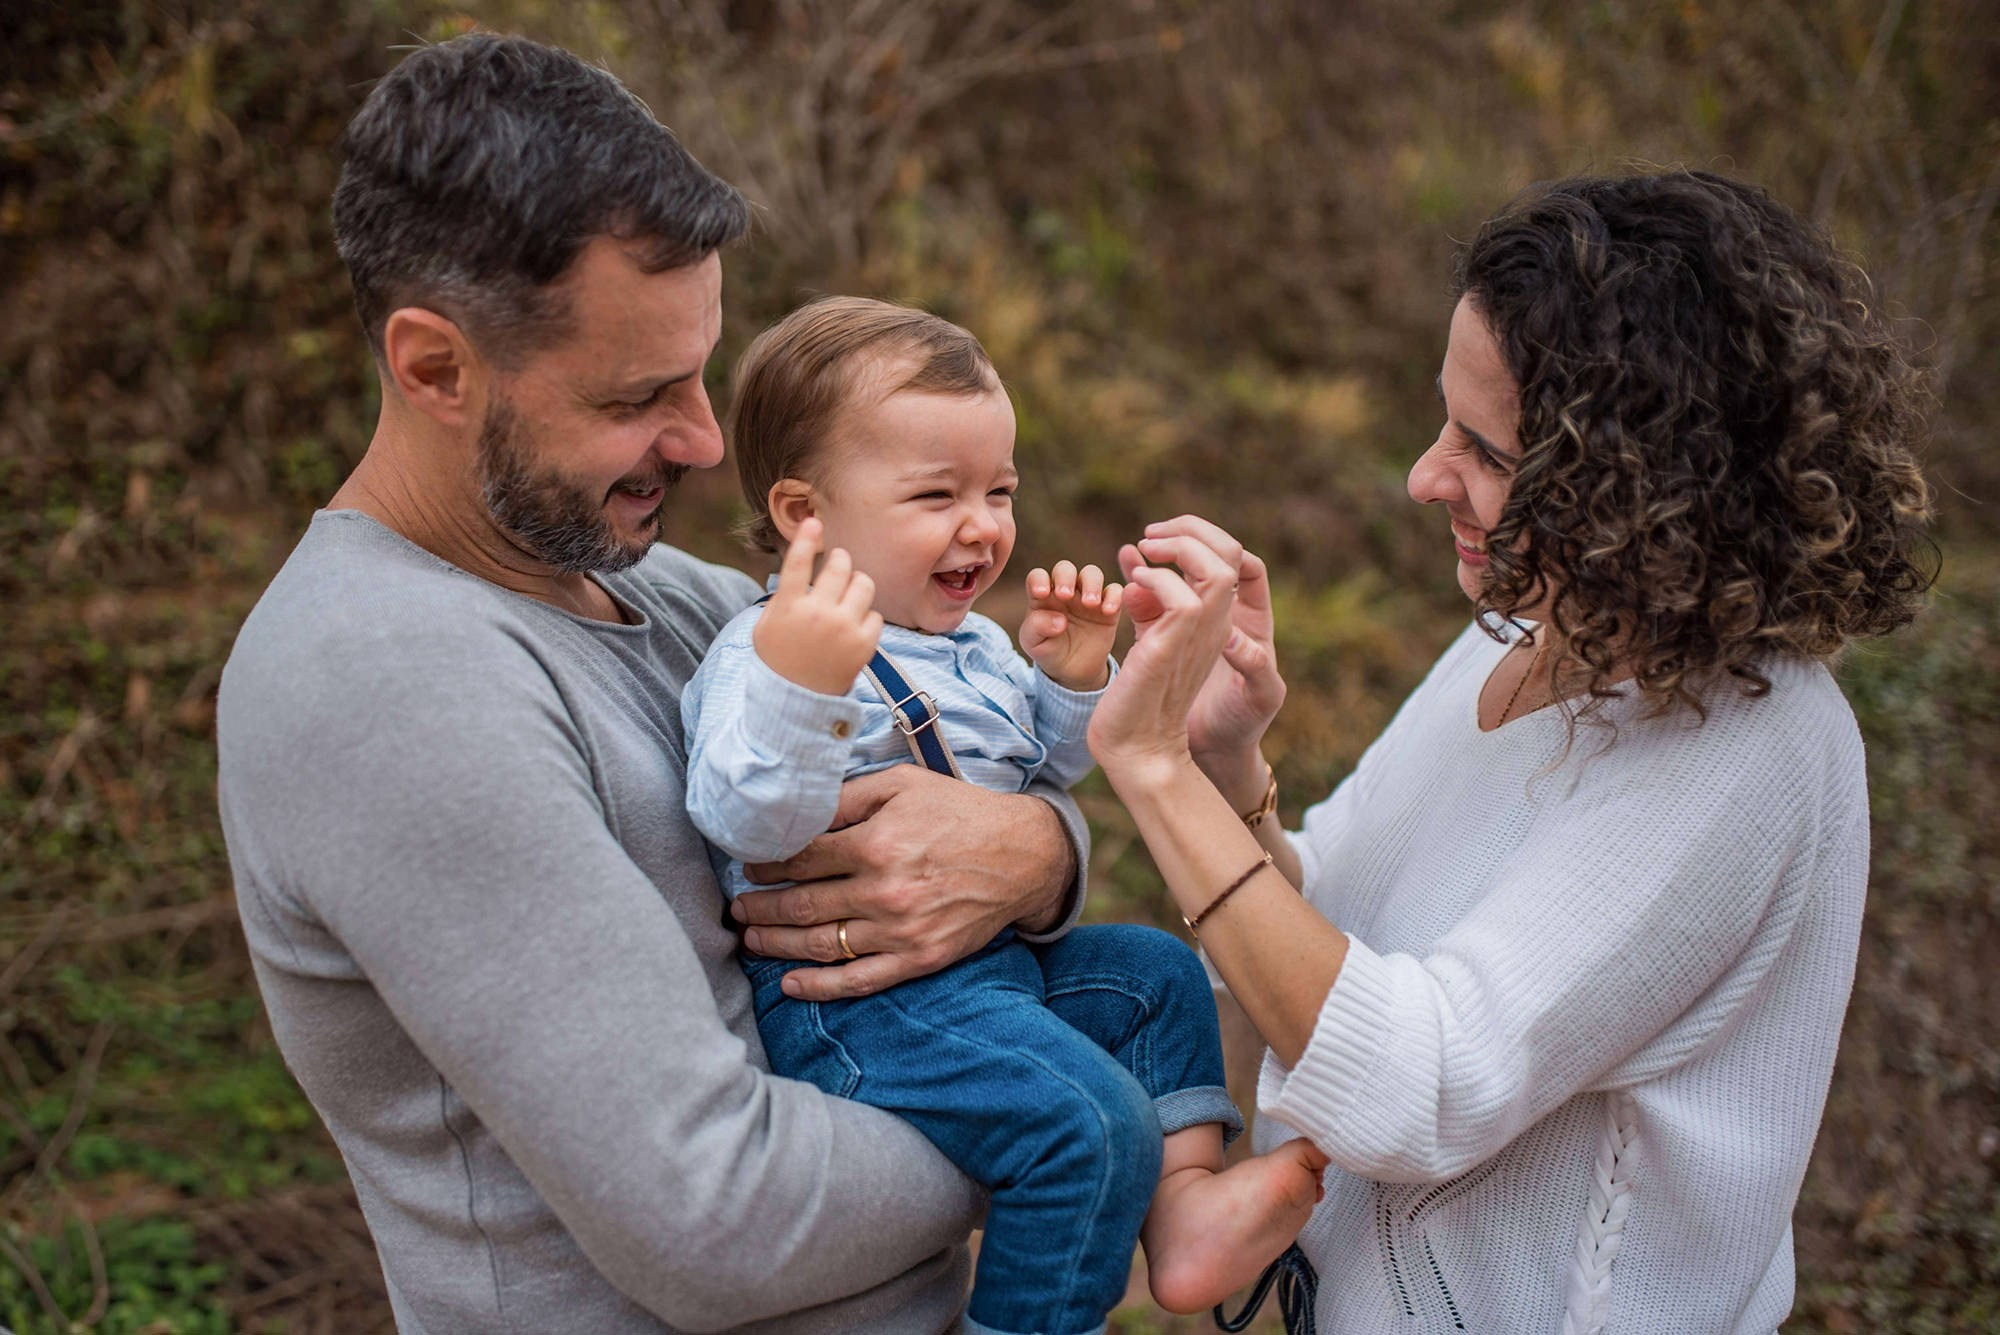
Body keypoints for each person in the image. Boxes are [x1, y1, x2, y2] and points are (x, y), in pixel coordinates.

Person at [216, 34, 1102, 1334]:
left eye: (702, 369)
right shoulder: (386, 681)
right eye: (640, 394)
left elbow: (953, 775)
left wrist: (1040, 849)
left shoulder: (668, 591)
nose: (700, 439)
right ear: (435, 367)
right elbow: (714, 1215)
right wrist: (1085, 1142)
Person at [1084, 171, 1934, 1333]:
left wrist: (1151, 772)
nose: (1423, 476)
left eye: (1482, 451)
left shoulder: (1751, 743)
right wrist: (1227, 759)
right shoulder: (1533, 625)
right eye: (1444, 422)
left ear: (1639, 490)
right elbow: (1325, 932)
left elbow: (1413, 1084)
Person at [679, 296, 1328, 1334]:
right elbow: (743, 817)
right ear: (806, 514)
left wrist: (1071, 681)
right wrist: (802, 689)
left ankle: (1185, 1212)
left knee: (1153, 977)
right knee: (1085, 1124)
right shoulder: (766, 653)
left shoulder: (975, 645)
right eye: (936, 494)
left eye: (998, 489)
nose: (980, 524)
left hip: (988, 970)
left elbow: (1046, 772)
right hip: (861, 1007)